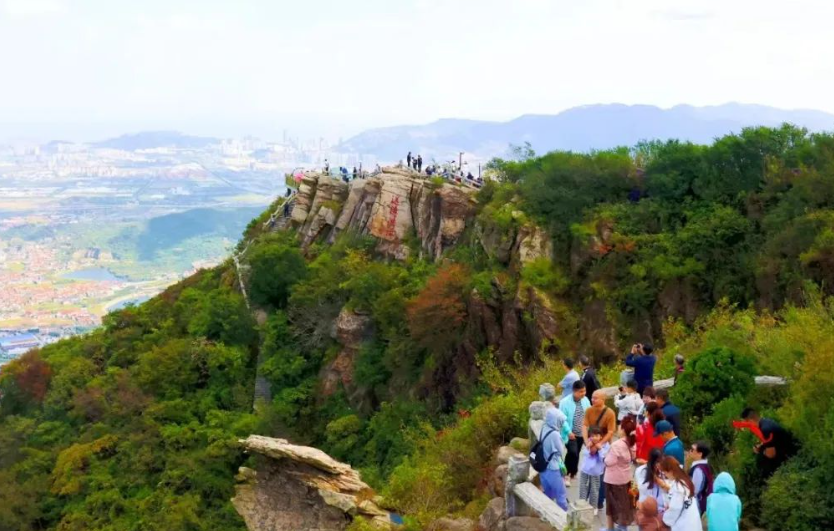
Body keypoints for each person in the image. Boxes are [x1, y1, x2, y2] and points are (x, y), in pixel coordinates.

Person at [583, 389, 617, 510]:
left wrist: (600, 444)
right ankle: (585, 499)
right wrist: (587, 441)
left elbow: (611, 431)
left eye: (596, 398)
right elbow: (585, 426)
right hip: (590, 444)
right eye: (592, 397)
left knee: (601, 474)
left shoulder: (610, 413)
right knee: (587, 471)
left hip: (603, 446)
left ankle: (598, 501)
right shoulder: (589, 410)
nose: (593, 400)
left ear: (603, 399)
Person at [603, 417, 637, 531]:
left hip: (613, 479)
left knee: (611, 506)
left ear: (622, 429)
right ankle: (623, 527)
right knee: (624, 504)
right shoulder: (632, 442)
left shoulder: (617, 445)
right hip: (626, 477)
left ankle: (611, 528)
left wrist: (604, 455)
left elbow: (609, 462)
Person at [740, 407, 795, 477]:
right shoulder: (765, 422)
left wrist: (761, 451)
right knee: (761, 450)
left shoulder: (765, 429)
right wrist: (761, 446)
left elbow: (771, 454)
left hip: (788, 453)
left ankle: (772, 478)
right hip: (784, 447)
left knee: (761, 459)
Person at [559, 380, 590, 486]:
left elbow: (588, 414)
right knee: (573, 452)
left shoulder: (585, 400)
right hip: (570, 433)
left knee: (576, 453)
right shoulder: (564, 402)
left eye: (584, 391)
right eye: (581, 391)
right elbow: (562, 419)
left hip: (581, 433)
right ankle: (566, 474)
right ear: (574, 391)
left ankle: (573, 473)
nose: (583, 393)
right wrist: (568, 431)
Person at [657, 456, 702, 531]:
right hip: (692, 521)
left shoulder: (678, 488)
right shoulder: (685, 481)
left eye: (665, 472)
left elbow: (675, 508)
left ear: (670, 471)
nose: (665, 475)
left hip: (684, 525)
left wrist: (665, 520)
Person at [539, 407, 569, 511]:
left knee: (548, 494)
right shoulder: (555, 434)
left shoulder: (544, 427)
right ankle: (564, 520)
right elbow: (561, 451)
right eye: (559, 421)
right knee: (561, 495)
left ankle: (548, 514)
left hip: (543, 467)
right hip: (553, 468)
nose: (561, 423)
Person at [578, 425, 609, 516]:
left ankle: (593, 506)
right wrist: (588, 447)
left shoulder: (605, 445)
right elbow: (584, 454)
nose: (595, 438)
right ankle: (581, 504)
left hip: (596, 472)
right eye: (593, 436)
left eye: (597, 435)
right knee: (583, 487)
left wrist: (599, 449)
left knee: (595, 490)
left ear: (601, 436)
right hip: (585, 470)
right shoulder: (588, 443)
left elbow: (603, 458)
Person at [636, 448, 667, 519]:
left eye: (662, 461)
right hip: (646, 506)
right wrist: (653, 478)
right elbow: (641, 488)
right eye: (658, 461)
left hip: (660, 509)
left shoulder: (663, 471)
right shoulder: (641, 471)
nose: (660, 464)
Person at [687, 441, 713, 515]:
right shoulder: (705, 466)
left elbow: (695, 490)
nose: (690, 451)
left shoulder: (698, 469)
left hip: (697, 503)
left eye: (692, 450)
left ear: (700, 454)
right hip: (701, 502)